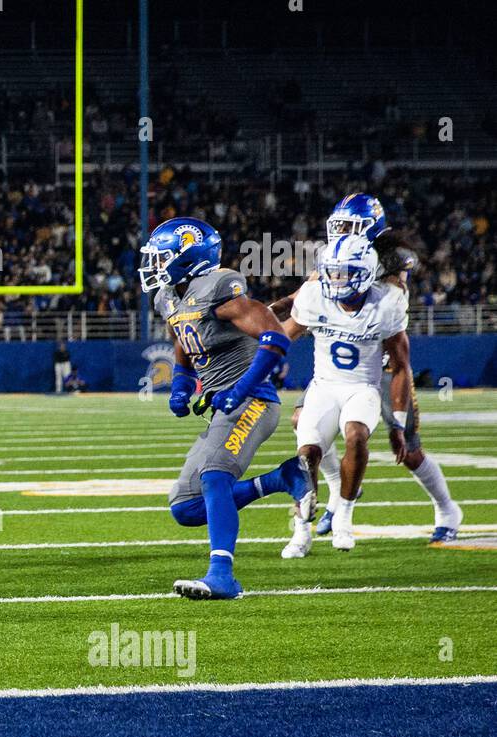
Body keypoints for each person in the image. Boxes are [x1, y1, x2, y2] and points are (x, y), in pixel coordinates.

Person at [140, 217, 316, 600]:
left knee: (215, 476)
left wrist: (240, 389)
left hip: (254, 400)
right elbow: (182, 336)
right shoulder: (169, 296)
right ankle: (282, 478)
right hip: (223, 404)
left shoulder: (220, 289)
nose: (154, 266)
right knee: (185, 507)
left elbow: (274, 339)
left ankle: (222, 575)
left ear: (188, 256)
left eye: (162, 257)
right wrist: (183, 384)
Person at [273, 193, 463, 545]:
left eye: (349, 226)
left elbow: (389, 297)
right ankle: (338, 490)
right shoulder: (337, 259)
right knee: (305, 421)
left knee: (407, 447)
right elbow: (305, 291)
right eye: (339, 225)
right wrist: (269, 311)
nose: (341, 231)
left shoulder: (392, 261)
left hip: (381, 362)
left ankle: (447, 508)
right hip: (337, 362)